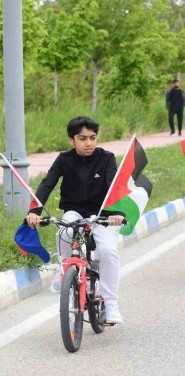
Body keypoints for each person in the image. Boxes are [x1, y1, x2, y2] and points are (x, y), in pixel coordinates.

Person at [25, 117, 126, 323]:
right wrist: (34, 210)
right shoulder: (64, 159)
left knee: (108, 251)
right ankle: (64, 269)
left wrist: (117, 213)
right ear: (72, 140)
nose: (88, 143)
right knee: (64, 232)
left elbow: (115, 186)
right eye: (82, 138)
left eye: (92, 138)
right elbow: (47, 183)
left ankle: (111, 304)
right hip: (75, 211)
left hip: (103, 215)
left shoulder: (107, 158)